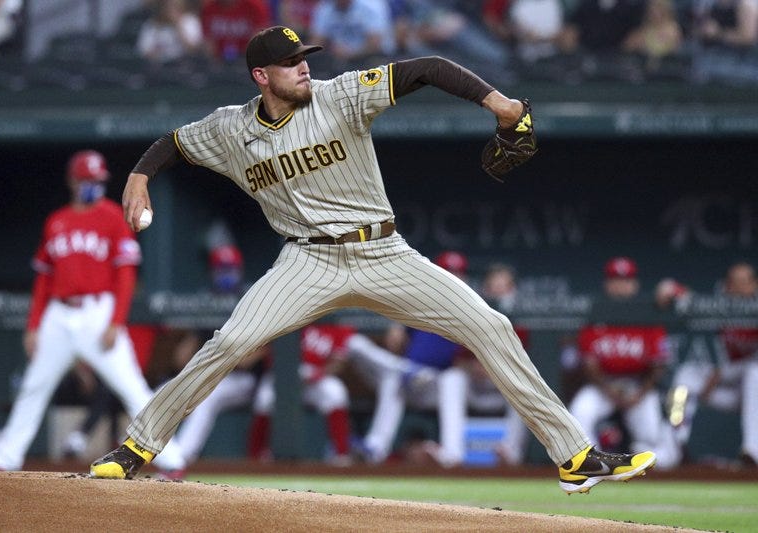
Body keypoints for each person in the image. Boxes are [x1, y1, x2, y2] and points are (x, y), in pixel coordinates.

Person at [90, 25, 656, 494]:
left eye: (304, 57)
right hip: (305, 263)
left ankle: (573, 456)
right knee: (231, 343)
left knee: (492, 325)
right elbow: (174, 143)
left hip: (383, 251)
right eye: (289, 63)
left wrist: (500, 104)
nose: (304, 67)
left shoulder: (339, 95)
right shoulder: (231, 128)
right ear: (261, 77)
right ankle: (140, 445)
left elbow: (429, 67)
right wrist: (140, 176)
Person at [0, 150, 187, 477]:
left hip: (98, 313)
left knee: (131, 387)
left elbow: (125, 275)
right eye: (87, 179)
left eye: (98, 180)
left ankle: (173, 460)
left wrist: (116, 321)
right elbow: (44, 279)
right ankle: (5, 458)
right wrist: (34, 326)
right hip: (58, 316)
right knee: (34, 385)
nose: (93, 185)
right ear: (73, 181)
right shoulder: (57, 222)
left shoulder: (112, 217)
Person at [361, 251, 528, 467]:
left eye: (458, 274)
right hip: (439, 381)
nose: (454, 278)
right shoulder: (418, 304)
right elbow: (397, 342)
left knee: (521, 386)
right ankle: (377, 449)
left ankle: (508, 453)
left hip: (499, 386)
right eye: (449, 273)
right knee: (389, 368)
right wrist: (396, 328)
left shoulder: (483, 310)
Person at [567, 257, 680, 469]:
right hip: (603, 384)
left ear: (635, 284)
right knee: (580, 412)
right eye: (614, 280)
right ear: (606, 284)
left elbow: (658, 365)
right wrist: (608, 390)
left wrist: (640, 393)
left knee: (653, 438)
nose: (620, 285)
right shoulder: (595, 313)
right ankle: (598, 464)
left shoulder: (650, 314)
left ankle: (636, 462)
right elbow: (589, 363)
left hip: (639, 386)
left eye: (626, 280)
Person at [171, 243, 275, 464]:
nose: (226, 275)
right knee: (161, 391)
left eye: (230, 269)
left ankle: (180, 458)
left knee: (207, 396)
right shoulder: (209, 301)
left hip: (244, 381)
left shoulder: (250, 299)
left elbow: (247, 361)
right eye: (221, 269)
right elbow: (180, 359)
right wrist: (196, 331)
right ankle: (133, 450)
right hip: (212, 374)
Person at [667, 261, 758, 467]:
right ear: (727, 285)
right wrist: (669, 288)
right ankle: (675, 443)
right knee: (684, 378)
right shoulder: (718, 303)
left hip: (749, 391)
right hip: (720, 384)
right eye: (734, 282)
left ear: (755, 284)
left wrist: (718, 371)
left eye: (745, 282)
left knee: (755, 373)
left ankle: (753, 451)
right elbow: (681, 294)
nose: (740, 287)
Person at [308, 0, 396, 68]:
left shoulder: (372, 5)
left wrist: (351, 53)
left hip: (370, 56)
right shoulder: (324, 8)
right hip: (337, 57)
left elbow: (375, 43)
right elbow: (315, 43)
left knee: (376, 66)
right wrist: (331, 47)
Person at [200, 0, 272, 62]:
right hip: (218, 61)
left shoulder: (254, 6)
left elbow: (259, 39)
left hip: (248, 60)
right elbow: (208, 42)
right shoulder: (209, 8)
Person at [136, 0, 204, 65]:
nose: (171, 11)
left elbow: (192, 50)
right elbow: (144, 52)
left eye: (174, 7)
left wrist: (177, 26)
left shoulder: (190, 20)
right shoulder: (152, 24)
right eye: (168, 7)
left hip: (184, 64)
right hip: (160, 65)